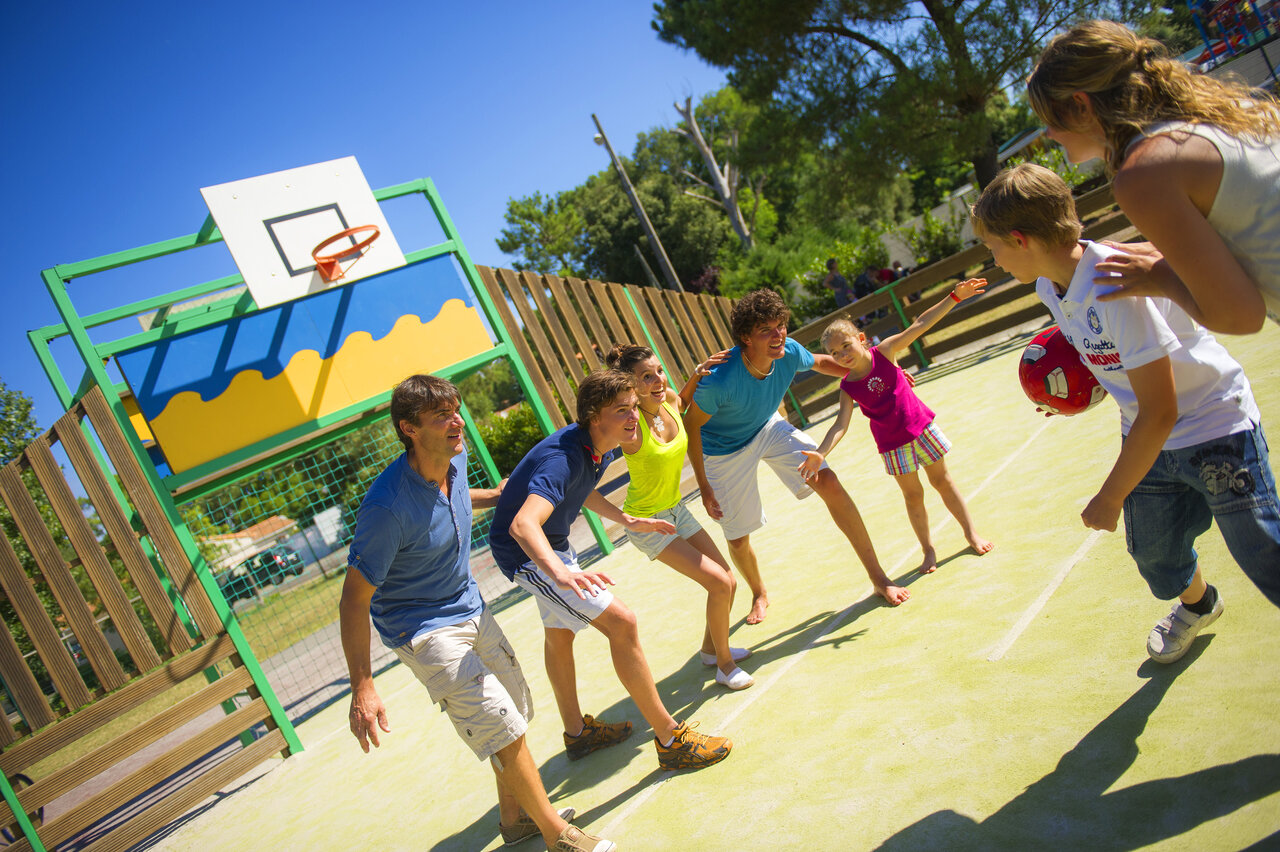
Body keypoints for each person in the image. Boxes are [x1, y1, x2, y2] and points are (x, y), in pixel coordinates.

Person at [971, 163, 1280, 664]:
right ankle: (1201, 604)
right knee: (1155, 552)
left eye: (994, 248)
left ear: (1022, 239)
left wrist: (1110, 495)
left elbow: (1161, 409)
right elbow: (1105, 356)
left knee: (1264, 551)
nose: (994, 260)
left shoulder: (1114, 287)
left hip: (1212, 427)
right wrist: (1072, 393)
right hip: (1151, 437)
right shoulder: (1051, 288)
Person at [339, 375, 616, 852]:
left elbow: (461, 502)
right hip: (422, 629)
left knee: (515, 711)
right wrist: (363, 685)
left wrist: (500, 494)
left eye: (456, 410)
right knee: (500, 726)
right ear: (409, 428)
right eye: (441, 416)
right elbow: (353, 598)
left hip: (469, 605)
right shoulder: (386, 508)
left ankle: (515, 822)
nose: (457, 421)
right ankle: (558, 835)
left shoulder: (456, 457)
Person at [488, 370, 733, 771]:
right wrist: (560, 573)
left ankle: (577, 735)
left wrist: (627, 520)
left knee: (560, 632)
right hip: (527, 554)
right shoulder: (563, 457)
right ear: (592, 415)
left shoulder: (597, 445)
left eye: (633, 407)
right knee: (623, 622)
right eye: (621, 410)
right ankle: (672, 740)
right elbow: (522, 525)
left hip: (549, 547)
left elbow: (582, 489)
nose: (633, 417)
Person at [1027, 19, 1280, 333]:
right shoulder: (1227, 114)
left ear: (1080, 105)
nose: (1048, 133)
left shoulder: (1144, 173)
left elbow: (1239, 316)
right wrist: (1165, 254)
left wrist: (1158, 274)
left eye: (1049, 117)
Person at [683, 288, 910, 624]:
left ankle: (878, 577)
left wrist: (877, 374)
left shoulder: (787, 350)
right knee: (738, 538)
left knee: (828, 480)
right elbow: (691, 426)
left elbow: (819, 361)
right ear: (745, 337)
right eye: (766, 330)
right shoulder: (721, 380)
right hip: (723, 451)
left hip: (768, 426)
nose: (778, 336)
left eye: (781, 326)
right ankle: (759, 591)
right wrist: (704, 486)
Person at [811, 280, 994, 575]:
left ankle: (971, 533)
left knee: (943, 482)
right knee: (913, 496)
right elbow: (840, 425)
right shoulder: (847, 386)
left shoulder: (885, 352)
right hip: (893, 445)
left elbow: (920, 324)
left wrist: (953, 297)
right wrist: (820, 453)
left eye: (846, 345)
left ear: (861, 338)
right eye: (835, 353)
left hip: (922, 429)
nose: (843, 354)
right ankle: (928, 549)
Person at [604, 344, 752, 690]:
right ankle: (726, 666)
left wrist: (694, 376)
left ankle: (710, 651)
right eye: (646, 377)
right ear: (631, 386)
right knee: (720, 583)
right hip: (647, 522)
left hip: (676, 510)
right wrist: (626, 521)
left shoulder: (668, 398)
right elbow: (585, 476)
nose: (657, 379)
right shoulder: (630, 424)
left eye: (658, 371)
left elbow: (679, 402)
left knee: (726, 580)